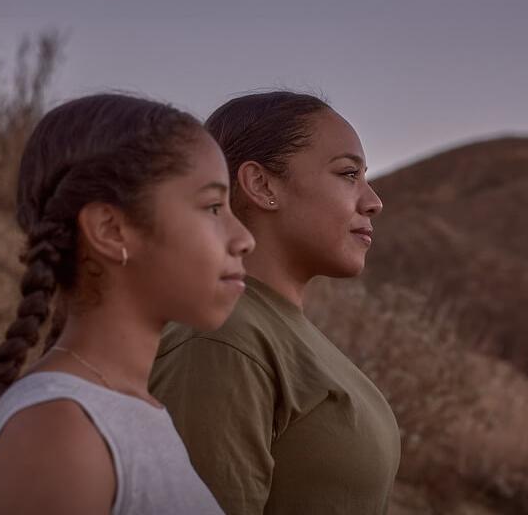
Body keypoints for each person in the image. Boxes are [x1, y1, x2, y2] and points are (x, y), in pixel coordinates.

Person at [0, 94, 255, 515]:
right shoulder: (60, 434)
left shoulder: (122, 410)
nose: (244, 239)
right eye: (213, 206)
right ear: (110, 230)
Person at [150, 91, 400, 515]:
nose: (373, 201)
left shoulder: (276, 328)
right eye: (347, 174)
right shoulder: (222, 337)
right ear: (262, 185)